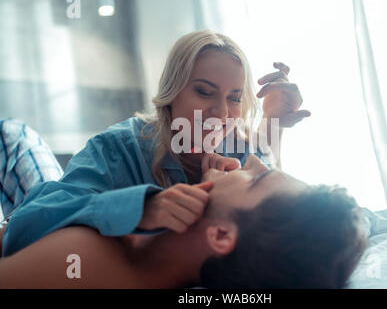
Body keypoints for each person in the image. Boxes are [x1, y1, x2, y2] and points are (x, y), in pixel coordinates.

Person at [1, 29, 311, 257]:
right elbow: (20, 229)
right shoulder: (118, 148)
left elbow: (282, 209)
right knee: (12, 136)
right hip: (48, 211)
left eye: (234, 98)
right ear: (171, 94)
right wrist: (141, 209)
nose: (221, 113)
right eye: (204, 91)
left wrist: (274, 124)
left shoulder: (242, 151)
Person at [0, 155, 368, 288]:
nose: (250, 162)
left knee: (13, 138)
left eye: (257, 178)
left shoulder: (90, 255)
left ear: (222, 235)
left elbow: (21, 224)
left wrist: (130, 207)